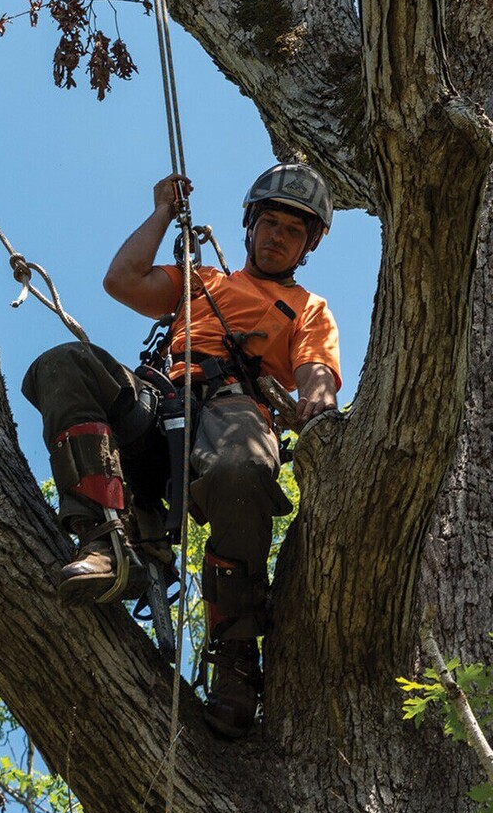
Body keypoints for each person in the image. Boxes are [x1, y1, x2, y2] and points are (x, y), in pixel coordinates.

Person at [22, 163, 341, 737]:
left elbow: (316, 369)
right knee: (64, 366)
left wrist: (317, 401)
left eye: (292, 232)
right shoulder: (204, 281)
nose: (276, 237)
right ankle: (105, 543)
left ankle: (236, 652)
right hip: (162, 397)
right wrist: (163, 210)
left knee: (243, 470)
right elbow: (122, 281)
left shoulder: (308, 308)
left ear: (307, 246)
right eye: (268, 224)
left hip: (234, 405)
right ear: (248, 227)